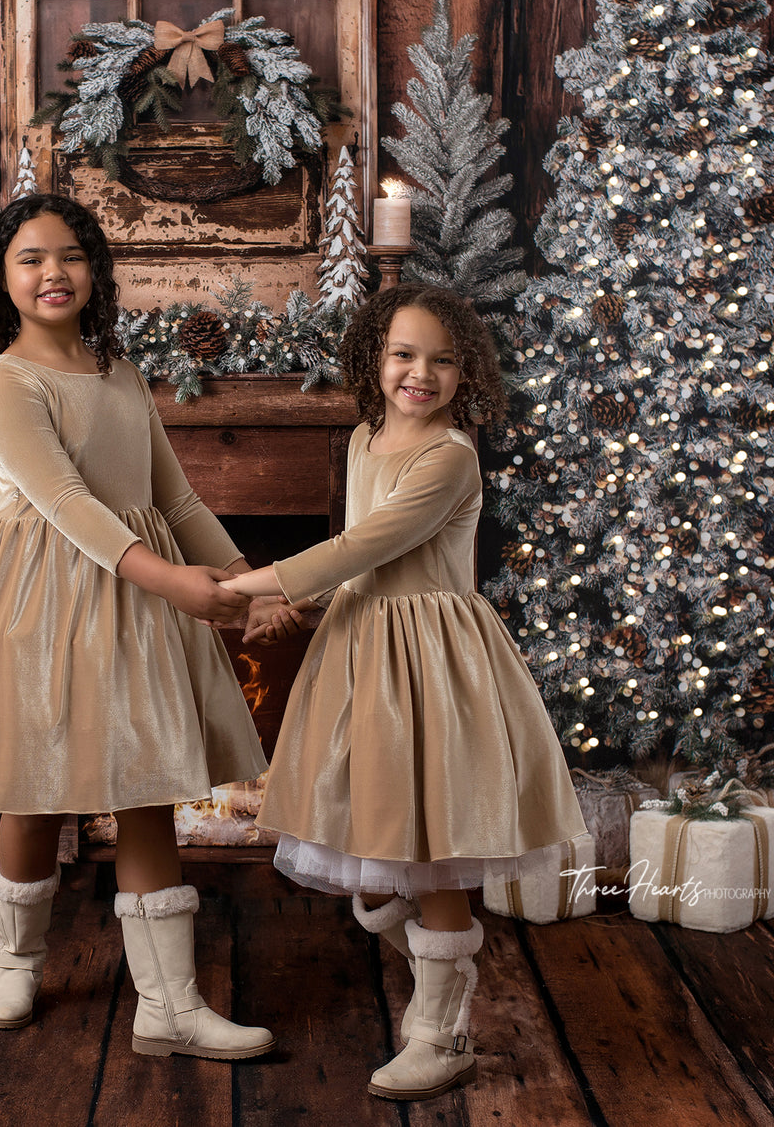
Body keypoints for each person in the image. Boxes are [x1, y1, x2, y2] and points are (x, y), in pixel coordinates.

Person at [225, 285, 587, 1099]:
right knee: (380, 849)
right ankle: (440, 967)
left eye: (442, 360)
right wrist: (300, 606)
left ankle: (441, 1031)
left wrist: (254, 587)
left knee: (437, 847)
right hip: (361, 653)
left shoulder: (450, 456)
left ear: (466, 373)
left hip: (430, 663)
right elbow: (362, 566)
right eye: (402, 354)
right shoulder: (363, 437)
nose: (419, 374)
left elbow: (370, 540)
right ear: (372, 359)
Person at [0, 194, 274, 1059]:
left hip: (132, 602)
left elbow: (176, 497)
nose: (52, 273)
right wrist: (172, 580)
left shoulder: (118, 372)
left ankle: (169, 1005)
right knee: (32, 791)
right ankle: (15, 962)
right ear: (1, 279)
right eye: (30, 258)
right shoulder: (7, 381)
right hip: (42, 600)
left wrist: (251, 579)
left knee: (145, 789)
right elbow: (64, 503)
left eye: (70, 256)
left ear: (94, 271)